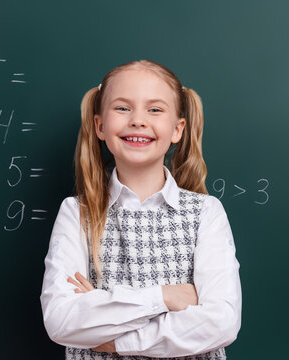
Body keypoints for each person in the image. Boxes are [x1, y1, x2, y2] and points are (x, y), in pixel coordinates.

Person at [40, 59, 242, 359]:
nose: (138, 120)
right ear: (99, 126)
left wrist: (111, 324)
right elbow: (62, 321)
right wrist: (166, 297)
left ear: (177, 129)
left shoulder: (205, 213)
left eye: (155, 109)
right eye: (122, 108)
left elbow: (221, 323)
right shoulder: (76, 213)